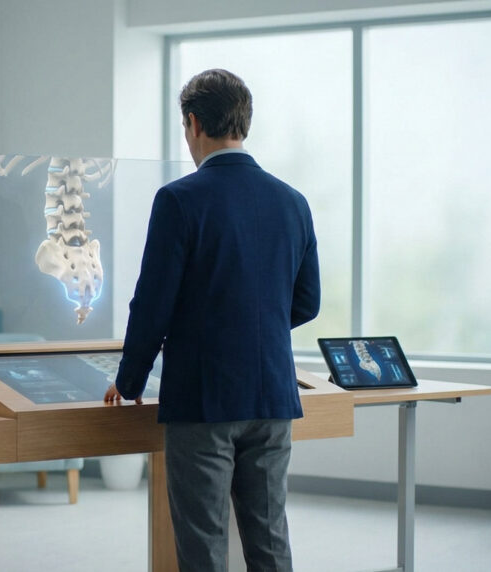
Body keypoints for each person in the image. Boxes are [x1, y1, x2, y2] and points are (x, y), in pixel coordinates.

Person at [104, 69, 320, 571]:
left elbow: (152, 304)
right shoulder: (293, 201)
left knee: (203, 546)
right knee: (270, 541)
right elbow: (307, 301)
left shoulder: (179, 199)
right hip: (272, 397)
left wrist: (129, 379)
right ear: (244, 122)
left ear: (194, 123)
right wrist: (252, 328)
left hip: (203, 401)